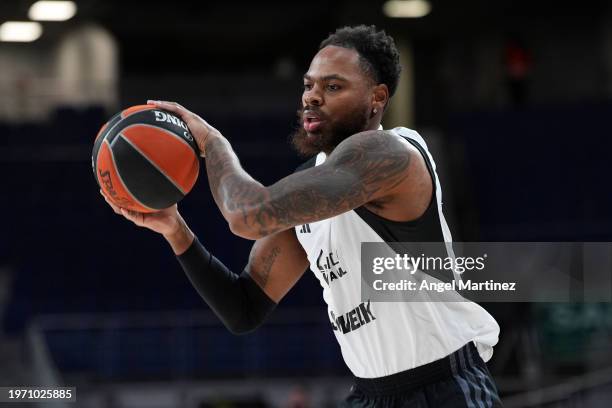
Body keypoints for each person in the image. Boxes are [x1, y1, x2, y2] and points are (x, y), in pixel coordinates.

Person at [102, 25, 502, 407]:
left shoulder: (391, 154)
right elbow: (244, 308)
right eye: (309, 85)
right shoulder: (310, 190)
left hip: (444, 387)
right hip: (371, 393)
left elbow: (247, 214)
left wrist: (212, 141)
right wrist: (175, 230)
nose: (312, 96)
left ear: (377, 98)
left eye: (332, 86)